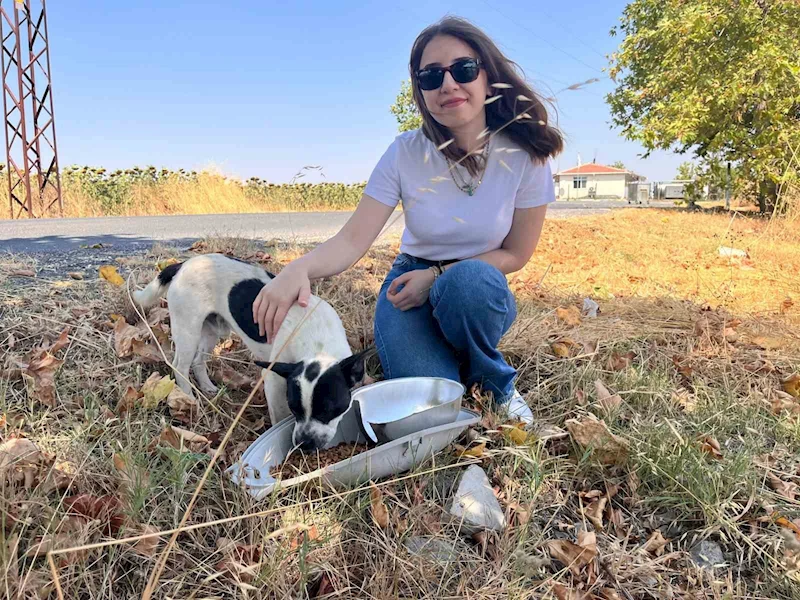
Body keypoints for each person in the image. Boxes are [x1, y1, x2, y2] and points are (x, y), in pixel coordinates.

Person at [252, 16, 563, 426]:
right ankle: (448, 355)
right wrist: (298, 268)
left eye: (463, 69)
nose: (448, 84)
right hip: (406, 288)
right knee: (426, 411)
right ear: (421, 91)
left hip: (474, 289)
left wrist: (436, 276)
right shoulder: (404, 152)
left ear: (488, 77)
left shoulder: (526, 155)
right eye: (431, 76)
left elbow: (517, 253)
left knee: (468, 283)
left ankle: (495, 380)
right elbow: (351, 240)